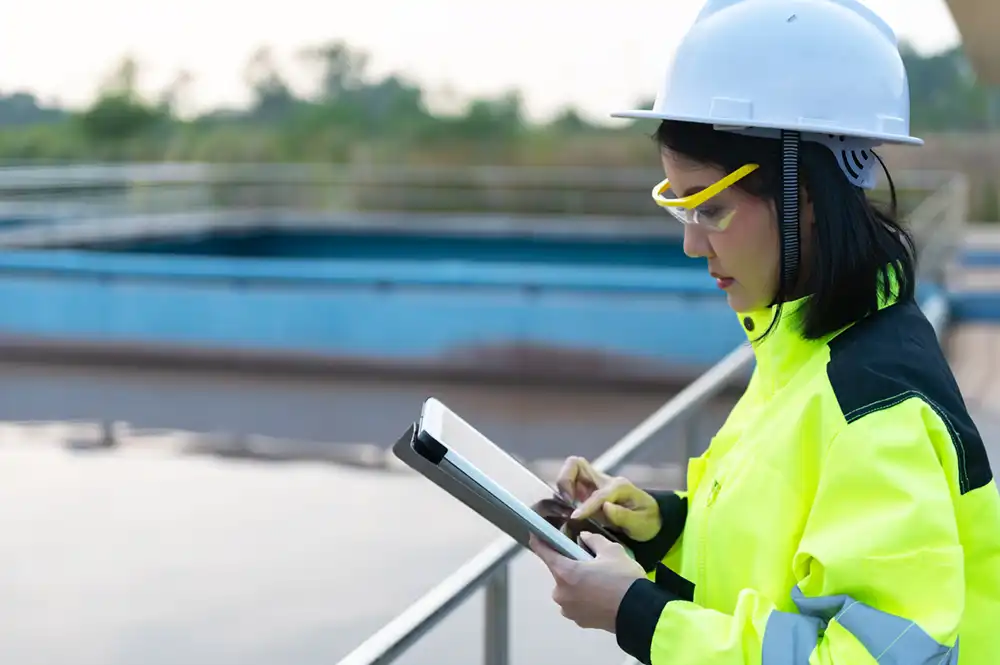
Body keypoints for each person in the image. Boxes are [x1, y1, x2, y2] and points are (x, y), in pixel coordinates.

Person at [527, 1, 1000, 663]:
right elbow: (786, 553)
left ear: (802, 193)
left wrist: (640, 614)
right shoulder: (806, 349)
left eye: (710, 207)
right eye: (680, 205)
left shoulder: (873, 405)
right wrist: (661, 526)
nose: (693, 244)